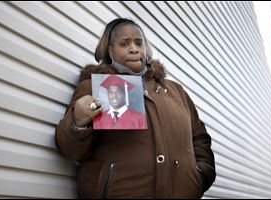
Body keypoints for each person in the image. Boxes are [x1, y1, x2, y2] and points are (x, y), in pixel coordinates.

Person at [55, 18, 216, 198]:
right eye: (124, 44)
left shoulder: (175, 91)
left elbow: (200, 138)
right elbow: (70, 149)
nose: (134, 48)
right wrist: (78, 122)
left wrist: (201, 175)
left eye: (139, 43)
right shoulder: (93, 87)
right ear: (110, 50)